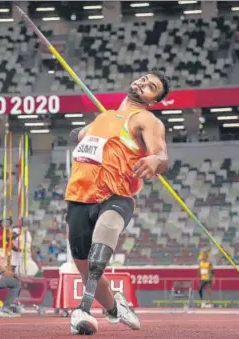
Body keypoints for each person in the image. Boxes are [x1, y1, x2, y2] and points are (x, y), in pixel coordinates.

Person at [66, 71, 170, 334]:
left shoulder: (146, 119)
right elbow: (78, 137)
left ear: (153, 100)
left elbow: (161, 154)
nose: (143, 84)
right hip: (78, 197)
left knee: (104, 239)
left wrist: (156, 160)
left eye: (151, 87)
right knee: (85, 266)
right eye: (144, 80)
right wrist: (78, 132)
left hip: (115, 196)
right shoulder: (104, 117)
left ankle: (83, 311)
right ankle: (114, 307)